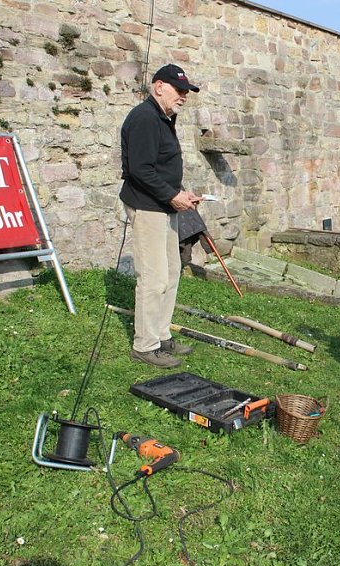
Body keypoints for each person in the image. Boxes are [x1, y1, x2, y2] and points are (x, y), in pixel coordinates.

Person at [119, 64, 202, 368]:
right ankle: (145, 345)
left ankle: (162, 335)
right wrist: (172, 196)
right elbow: (140, 170)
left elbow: (160, 167)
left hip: (164, 205)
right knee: (153, 278)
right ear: (158, 87)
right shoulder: (144, 117)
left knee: (172, 272)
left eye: (186, 92)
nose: (184, 96)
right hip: (147, 207)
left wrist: (180, 194)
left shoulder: (163, 118)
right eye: (179, 90)